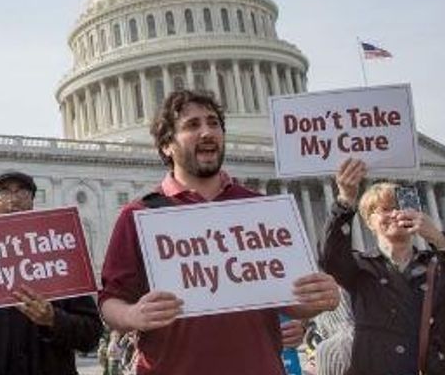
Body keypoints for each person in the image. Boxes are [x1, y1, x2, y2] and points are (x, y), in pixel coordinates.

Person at [97, 90, 341, 375]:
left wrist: (319, 300)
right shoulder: (140, 214)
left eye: (214, 123)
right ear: (166, 146)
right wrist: (131, 315)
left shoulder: (260, 208)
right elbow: (109, 301)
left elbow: (292, 301)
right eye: (192, 125)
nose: (207, 132)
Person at [0, 171, 103, 374]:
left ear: (32, 205)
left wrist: (54, 319)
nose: (13, 199)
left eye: (22, 192)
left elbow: (92, 334)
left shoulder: (62, 257)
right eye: (3, 192)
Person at [322, 157, 444, 375]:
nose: (395, 214)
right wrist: (345, 200)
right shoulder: (359, 267)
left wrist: (438, 239)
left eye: (400, 207)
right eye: (385, 209)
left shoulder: (437, 264)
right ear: (369, 221)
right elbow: (329, 257)